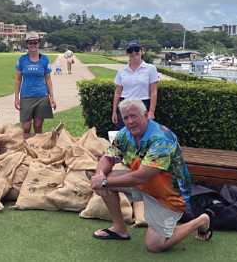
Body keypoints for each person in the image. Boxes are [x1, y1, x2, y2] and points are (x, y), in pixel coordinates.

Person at [89, 99, 213, 252]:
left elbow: (141, 176)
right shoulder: (124, 134)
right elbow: (108, 158)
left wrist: (104, 182)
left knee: (154, 246)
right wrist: (99, 175)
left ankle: (201, 220)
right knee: (103, 181)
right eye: (126, 118)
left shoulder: (161, 138)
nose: (130, 121)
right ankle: (119, 229)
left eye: (134, 116)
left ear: (146, 115)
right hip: (146, 184)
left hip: (168, 194)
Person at [14, 31, 56, 138]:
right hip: (26, 96)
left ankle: (38, 149)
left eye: (35, 42)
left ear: (39, 43)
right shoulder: (22, 60)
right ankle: (26, 149)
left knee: (38, 125)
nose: (33, 45)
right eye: (30, 43)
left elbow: (48, 79)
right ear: (27, 44)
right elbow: (18, 80)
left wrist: (52, 97)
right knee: (26, 127)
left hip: (42, 96)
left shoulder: (44, 59)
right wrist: (16, 98)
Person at [112, 40, 159, 129]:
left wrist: (151, 111)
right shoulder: (122, 71)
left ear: (142, 51)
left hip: (143, 104)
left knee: (142, 132)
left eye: (136, 49)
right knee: (124, 133)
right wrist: (114, 111)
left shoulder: (150, 69)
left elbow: (153, 91)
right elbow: (117, 92)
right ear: (127, 53)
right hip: (124, 104)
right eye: (130, 50)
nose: (134, 52)